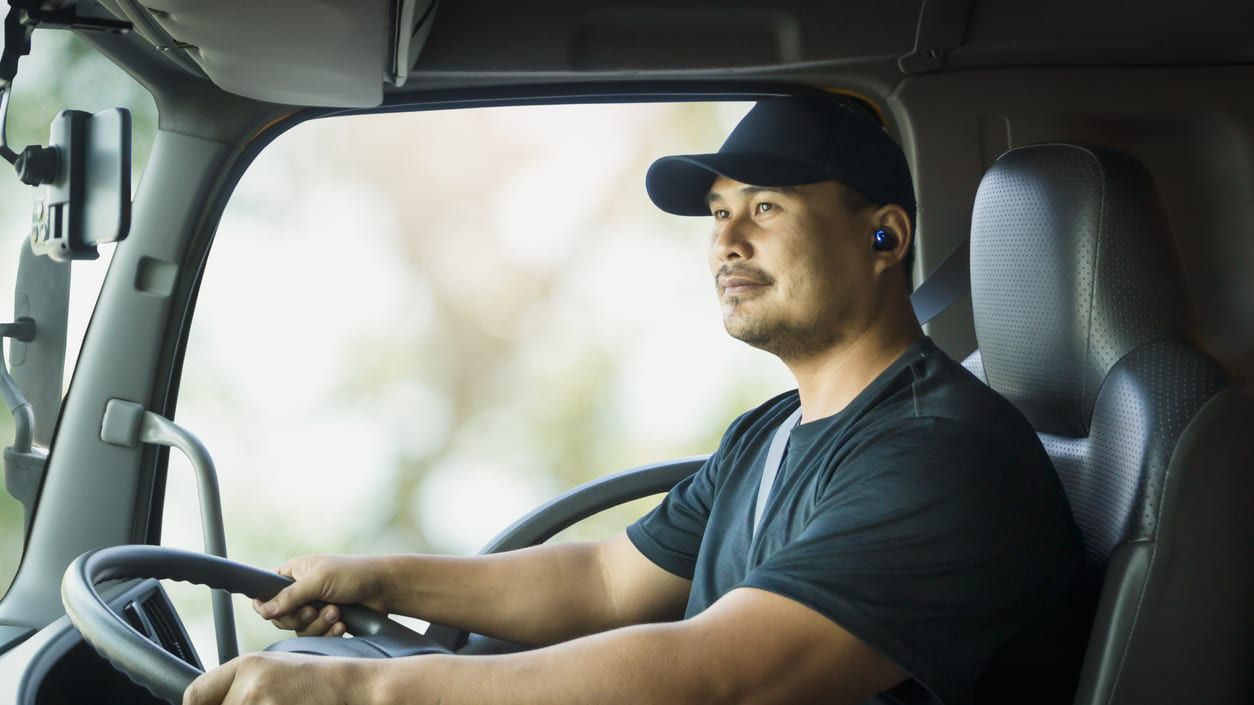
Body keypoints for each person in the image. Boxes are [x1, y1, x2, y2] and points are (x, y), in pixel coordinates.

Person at [184, 98, 1087, 705]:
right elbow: (608, 581)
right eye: (718, 212)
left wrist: (362, 689)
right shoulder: (773, 433)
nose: (725, 238)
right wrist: (376, 575)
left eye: (766, 207)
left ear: (884, 233)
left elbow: (710, 675)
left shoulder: (941, 455)